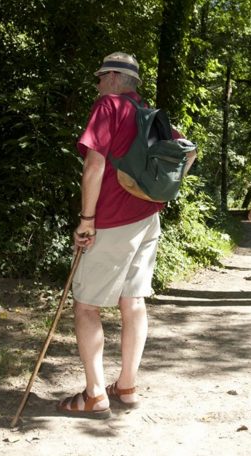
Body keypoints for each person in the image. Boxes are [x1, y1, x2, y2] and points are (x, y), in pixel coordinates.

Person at [56, 52, 196, 419]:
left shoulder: (109, 106)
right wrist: (158, 191)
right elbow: (189, 151)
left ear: (117, 78)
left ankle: (94, 394)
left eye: (102, 76)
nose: (98, 83)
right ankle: (128, 387)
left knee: (86, 305)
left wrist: (87, 220)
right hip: (148, 219)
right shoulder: (148, 113)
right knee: (133, 302)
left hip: (113, 221)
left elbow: (94, 166)